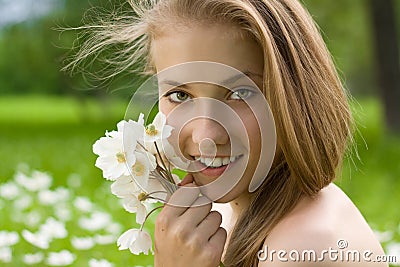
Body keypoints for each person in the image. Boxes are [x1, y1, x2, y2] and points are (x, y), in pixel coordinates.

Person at [67, 0, 388, 266]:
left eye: (240, 94)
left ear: (296, 97)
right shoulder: (219, 213)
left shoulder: (306, 245)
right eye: (180, 95)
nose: (206, 134)